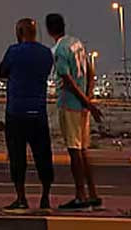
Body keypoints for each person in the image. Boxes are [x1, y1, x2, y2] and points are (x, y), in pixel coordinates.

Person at [0, 18, 56, 212]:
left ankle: (21, 198)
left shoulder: (13, 51)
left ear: (19, 32)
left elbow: (2, 72)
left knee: (17, 156)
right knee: (43, 155)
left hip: (16, 111)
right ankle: (45, 197)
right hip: (38, 111)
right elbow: (46, 72)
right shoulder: (46, 53)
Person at [45, 12, 103, 211]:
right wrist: (89, 99)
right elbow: (90, 70)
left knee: (74, 151)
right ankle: (93, 194)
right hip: (82, 106)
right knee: (84, 150)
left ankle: (80, 196)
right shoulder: (77, 43)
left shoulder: (59, 50)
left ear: (48, 30)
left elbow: (67, 80)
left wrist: (86, 102)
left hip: (70, 104)